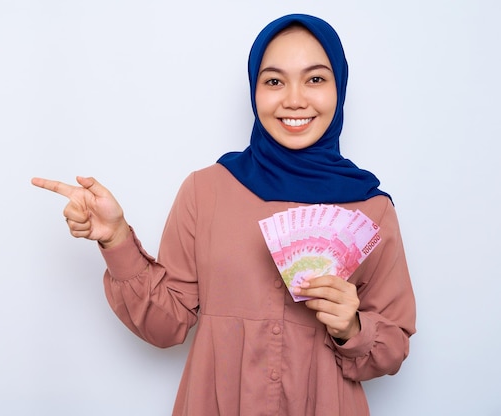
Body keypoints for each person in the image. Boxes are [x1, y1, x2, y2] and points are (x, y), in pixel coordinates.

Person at [31, 13, 416, 416]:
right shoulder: (206, 190)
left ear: (339, 88)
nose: (295, 99)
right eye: (274, 81)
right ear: (254, 90)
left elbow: (391, 350)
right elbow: (166, 326)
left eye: (316, 79)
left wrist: (350, 328)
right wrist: (115, 238)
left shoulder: (373, 209)